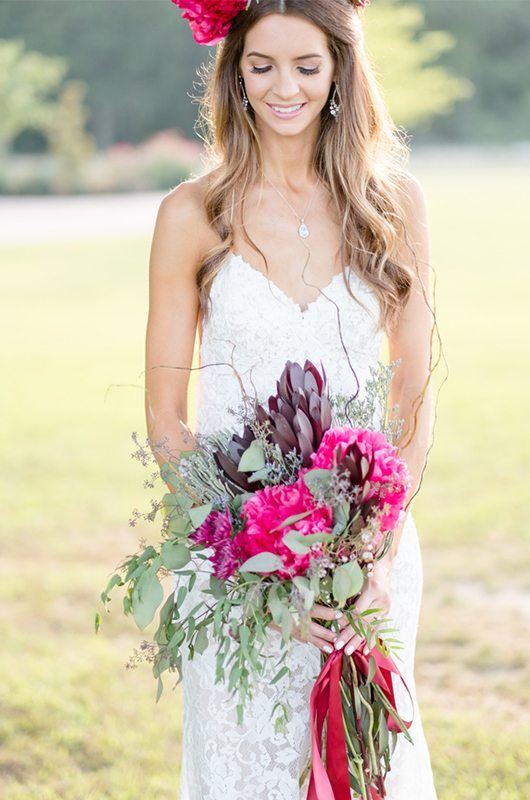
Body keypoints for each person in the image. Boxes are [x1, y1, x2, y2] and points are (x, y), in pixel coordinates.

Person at [144, 1, 439, 797]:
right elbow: (167, 423)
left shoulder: (393, 203)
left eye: (307, 66)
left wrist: (376, 548)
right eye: (262, 66)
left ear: (341, 70)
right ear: (234, 75)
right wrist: (251, 571)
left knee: (367, 770)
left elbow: (412, 388)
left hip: (367, 564)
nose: (285, 88)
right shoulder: (190, 214)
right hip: (235, 563)